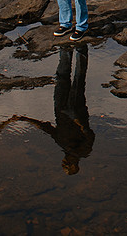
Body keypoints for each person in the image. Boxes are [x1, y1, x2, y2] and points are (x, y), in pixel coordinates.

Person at [20, 46, 93, 175]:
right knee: (78, 80)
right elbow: (90, 135)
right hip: (76, 112)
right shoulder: (83, 151)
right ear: (73, 164)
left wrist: (26, 119)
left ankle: (65, 50)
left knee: (61, 79)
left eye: (63, 164)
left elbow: (47, 129)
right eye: (66, 164)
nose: (63, 161)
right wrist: (79, 123)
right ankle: (81, 50)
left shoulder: (63, 146)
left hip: (60, 110)